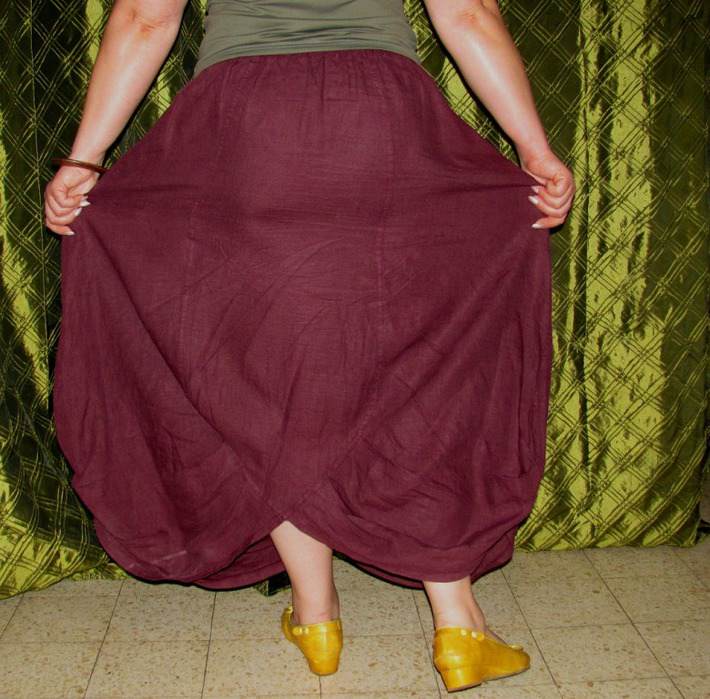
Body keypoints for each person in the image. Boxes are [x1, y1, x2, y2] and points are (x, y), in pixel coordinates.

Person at [44, 0, 574, 692]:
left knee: (264, 371)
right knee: (417, 361)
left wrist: (85, 158)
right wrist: (534, 151)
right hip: (383, 115)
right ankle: (458, 622)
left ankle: (316, 615)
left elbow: (146, 18)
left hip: (243, 124)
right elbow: (467, 14)